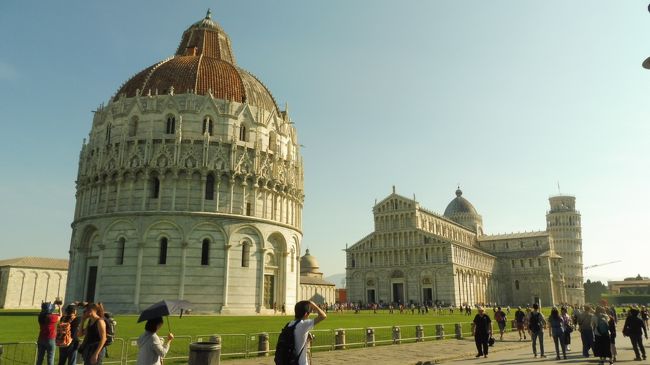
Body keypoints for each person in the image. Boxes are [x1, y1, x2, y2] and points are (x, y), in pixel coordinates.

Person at [290, 300, 327, 365]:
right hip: (301, 363)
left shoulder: (289, 324)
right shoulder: (304, 324)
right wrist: (313, 304)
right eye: (309, 313)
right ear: (305, 314)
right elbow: (323, 316)